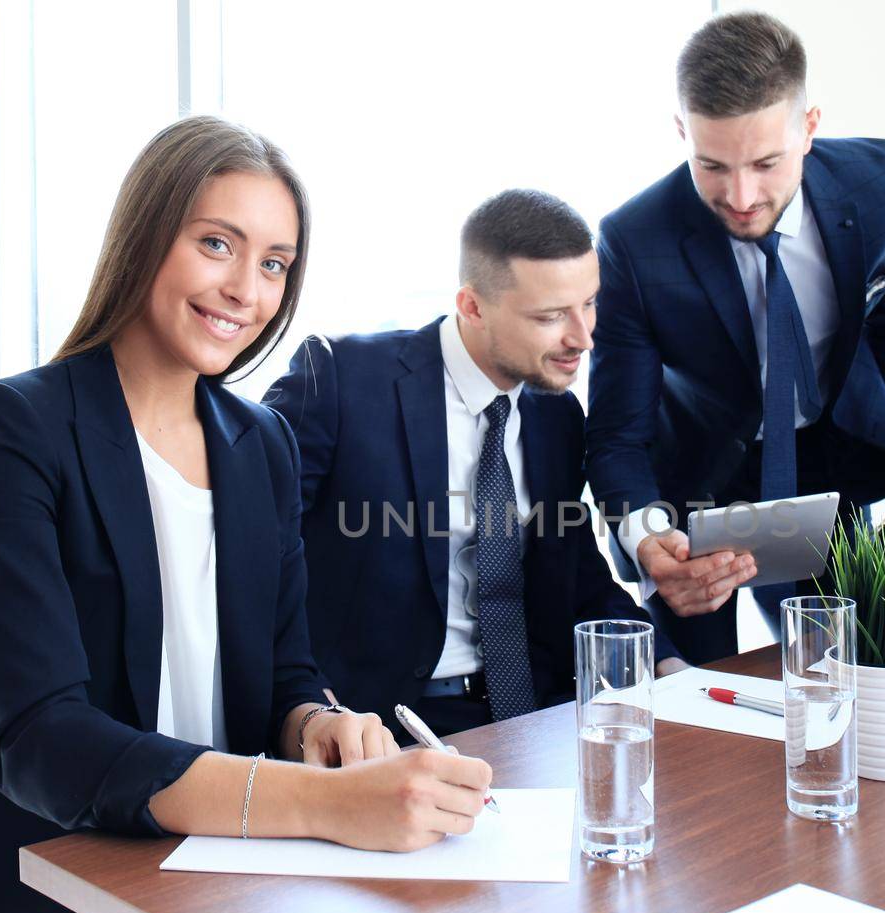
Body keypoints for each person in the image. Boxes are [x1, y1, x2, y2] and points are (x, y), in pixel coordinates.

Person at [0, 116, 492, 913]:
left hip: (207, 867)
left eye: (274, 263)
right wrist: (326, 805)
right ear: (148, 235)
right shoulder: (11, 427)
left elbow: (287, 675)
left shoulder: (258, 441)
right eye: (217, 244)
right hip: (37, 892)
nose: (245, 289)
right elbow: (42, 738)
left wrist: (322, 729)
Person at [264, 190, 683, 738]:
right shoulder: (341, 379)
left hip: (536, 713)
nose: (583, 336)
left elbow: (579, 576)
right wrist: (307, 704)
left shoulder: (556, 414)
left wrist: (666, 665)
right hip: (381, 724)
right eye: (552, 316)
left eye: (589, 303)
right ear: (473, 307)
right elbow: (258, 562)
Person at [587, 11, 885, 664]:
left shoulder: (882, 185)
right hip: (694, 491)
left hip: (827, 469)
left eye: (767, 163)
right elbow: (617, 433)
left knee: (859, 668)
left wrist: (866, 411)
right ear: (682, 131)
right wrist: (649, 538)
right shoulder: (635, 240)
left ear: (810, 127)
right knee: (686, 709)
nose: (741, 195)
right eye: (712, 165)